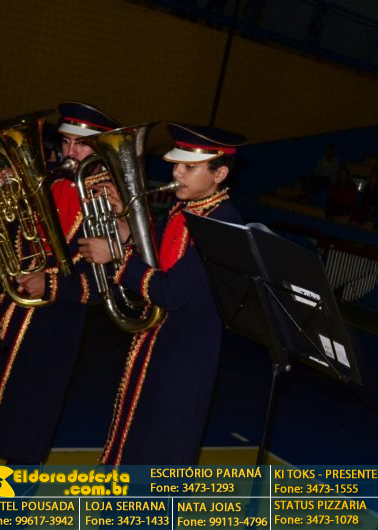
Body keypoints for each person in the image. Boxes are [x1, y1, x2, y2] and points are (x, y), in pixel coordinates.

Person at [79, 123, 245, 464]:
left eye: (189, 167)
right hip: (157, 345)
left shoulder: (223, 224)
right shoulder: (186, 210)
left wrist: (117, 258)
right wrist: (126, 234)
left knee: (158, 450)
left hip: (183, 360)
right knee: (132, 436)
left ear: (220, 174)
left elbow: (169, 292)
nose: (176, 172)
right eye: (176, 164)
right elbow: (161, 266)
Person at [0, 102, 120, 464]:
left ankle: (14, 491)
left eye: (81, 145)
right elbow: (10, 241)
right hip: (4, 307)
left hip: (53, 322)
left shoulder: (112, 201)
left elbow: (108, 281)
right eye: (66, 142)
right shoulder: (46, 180)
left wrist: (53, 286)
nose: (70, 152)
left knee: (27, 414)